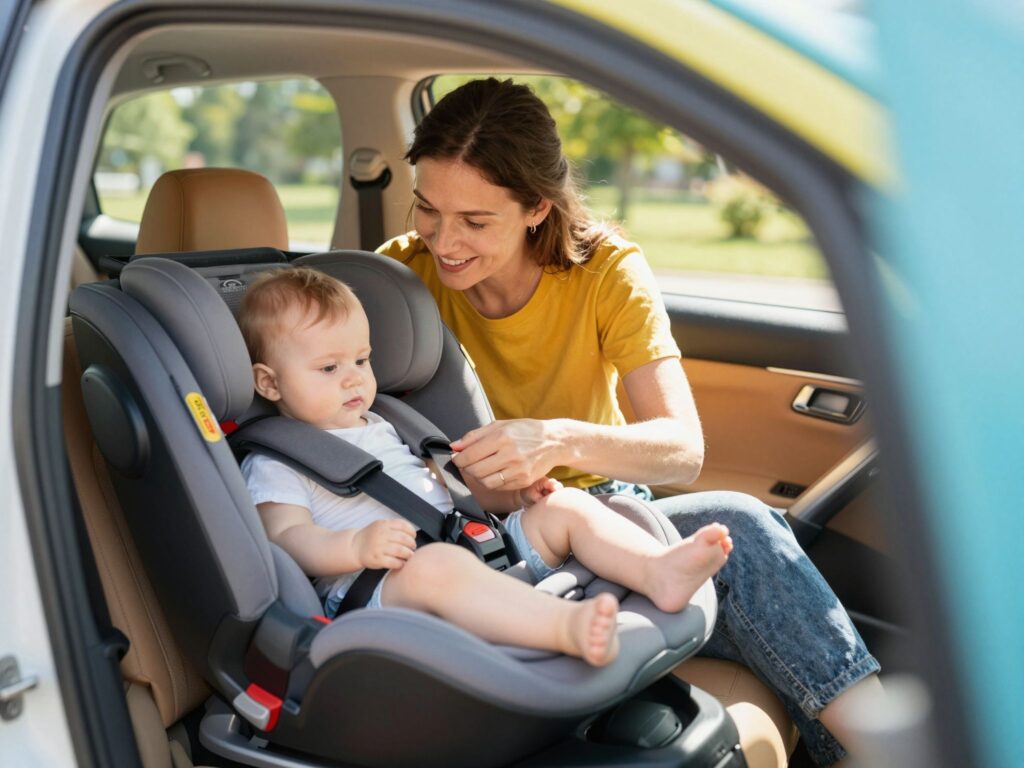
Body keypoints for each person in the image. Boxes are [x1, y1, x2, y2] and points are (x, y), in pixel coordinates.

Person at [377, 77, 883, 765]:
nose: (443, 240)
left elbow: (681, 451)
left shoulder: (605, 271)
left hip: (604, 518)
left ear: (536, 209)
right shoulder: (395, 282)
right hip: (478, 542)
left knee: (743, 528)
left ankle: (886, 750)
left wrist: (556, 439)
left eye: (475, 221)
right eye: (428, 209)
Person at [237, 267, 733, 667]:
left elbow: (446, 489)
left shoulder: (386, 421)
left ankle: (658, 571)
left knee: (568, 506)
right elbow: (285, 540)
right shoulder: (277, 460)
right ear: (270, 383)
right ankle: (566, 627)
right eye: (329, 368)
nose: (354, 380)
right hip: (380, 593)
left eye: (362, 361)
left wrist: (514, 499)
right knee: (436, 566)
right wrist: (353, 546)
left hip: (470, 547)